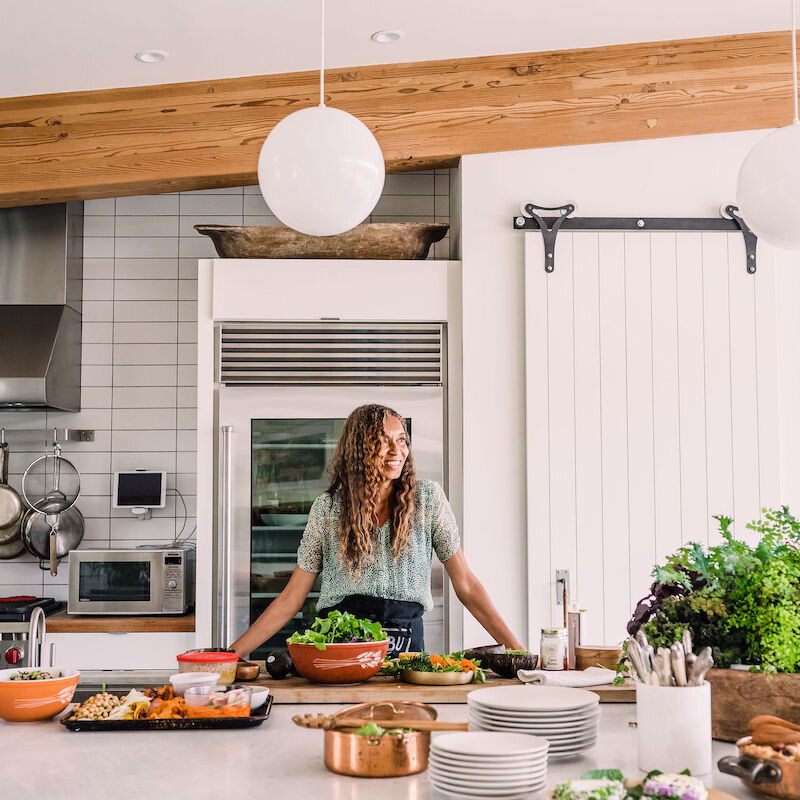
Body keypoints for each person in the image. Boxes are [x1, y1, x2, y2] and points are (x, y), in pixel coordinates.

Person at [231, 403, 524, 658]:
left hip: (407, 652)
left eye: (402, 440)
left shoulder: (428, 499)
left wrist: (519, 652)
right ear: (358, 450)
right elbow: (291, 599)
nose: (397, 451)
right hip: (341, 648)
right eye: (383, 441)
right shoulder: (328, 509)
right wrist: (230, 656)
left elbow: (467, 586)